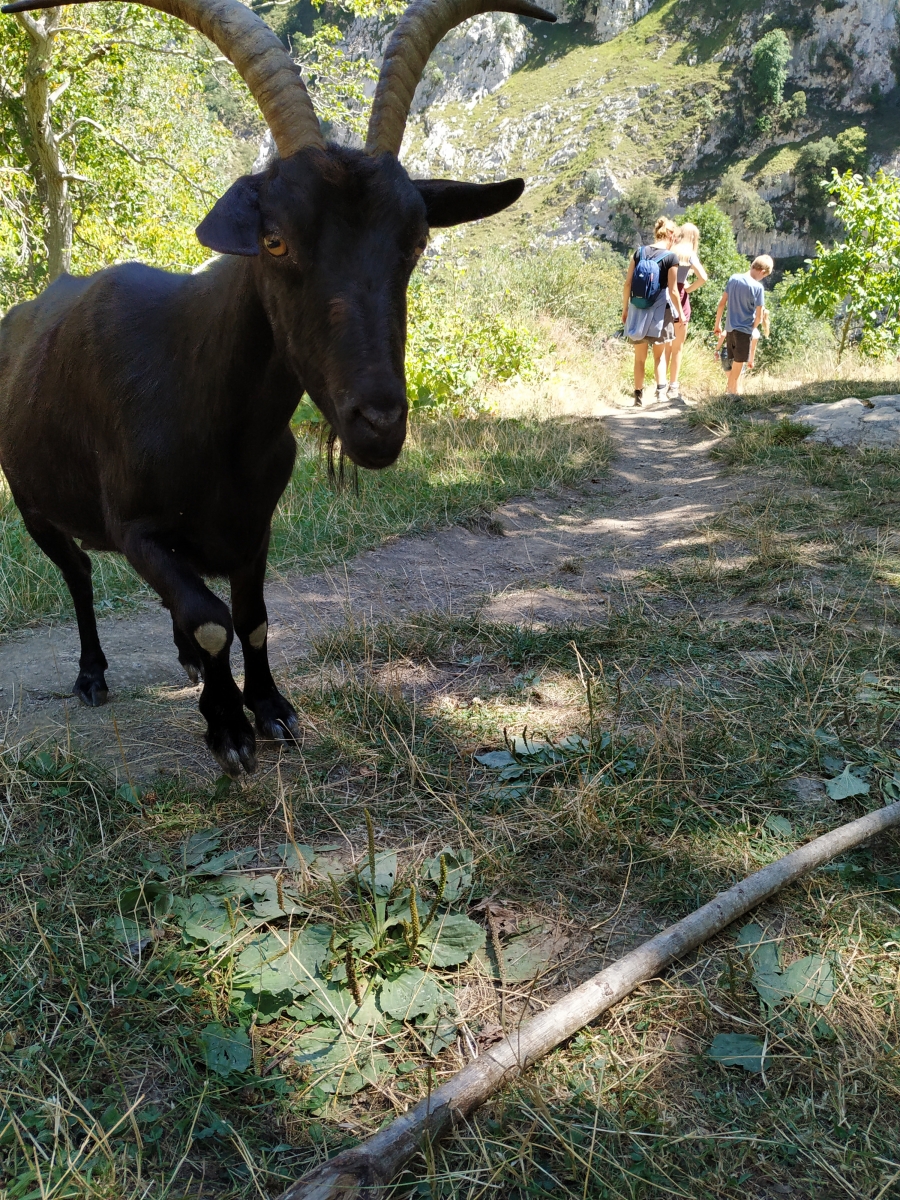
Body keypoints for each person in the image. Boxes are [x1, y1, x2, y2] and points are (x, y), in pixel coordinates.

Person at [622, 217, 684, 407]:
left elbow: (628, 284)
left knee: (639, 358)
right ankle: (660, 394)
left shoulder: (639, 252)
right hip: (660, 312)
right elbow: (673, 290)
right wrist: (680, 314)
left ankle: (638, 397)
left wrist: (625, 309)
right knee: (659, 356)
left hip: (638, 309)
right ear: (671, 235)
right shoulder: (671, 258)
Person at [714, 255, 774, 395]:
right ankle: (730, 393)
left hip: (729, 328)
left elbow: (722, 303)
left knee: (732, 359)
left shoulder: (734, 278)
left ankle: (731, 392)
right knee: (739, 363)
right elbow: (759, 316)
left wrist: (717, 324)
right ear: (763, 272)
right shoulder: (758, 287)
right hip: (744, 330)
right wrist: (751, 328)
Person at [665, 222, 708, 403]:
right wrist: (688, 290)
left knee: (664, 343)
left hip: (664, 295)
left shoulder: (669, 250)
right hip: (680, 296)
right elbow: (703, 278)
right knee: (678, 347)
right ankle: (673, 384)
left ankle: (659, 382)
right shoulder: (689, 255)